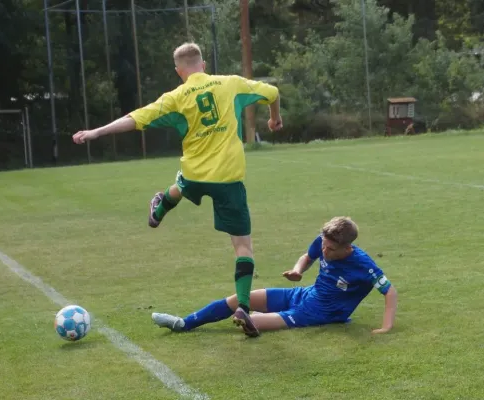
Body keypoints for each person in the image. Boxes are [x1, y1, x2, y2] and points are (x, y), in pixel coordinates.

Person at [72, 42, 283, 338]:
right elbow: (272, 93)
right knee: (243, 246)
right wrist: (274, 117)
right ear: (204, 64)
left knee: (182, 183)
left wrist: (97, 132)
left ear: (178, 71)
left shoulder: (176, 96)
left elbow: (136, 118)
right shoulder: (230, 83)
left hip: (195, 174)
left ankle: (159, 208)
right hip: (229, 178)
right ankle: (244, 306)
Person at [151, 217, 398, 336]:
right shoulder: (324, 242)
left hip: (319, 312)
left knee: (253, 321)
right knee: (240, 298)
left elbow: (390, 291)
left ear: (347, 248)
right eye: (323, 245)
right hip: (305, 294)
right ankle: (184, 323)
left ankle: (255, 322)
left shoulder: (363, 265)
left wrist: (386, 327)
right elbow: (308, 256)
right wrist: (298, 270)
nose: (324, 250)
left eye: (330, 249)